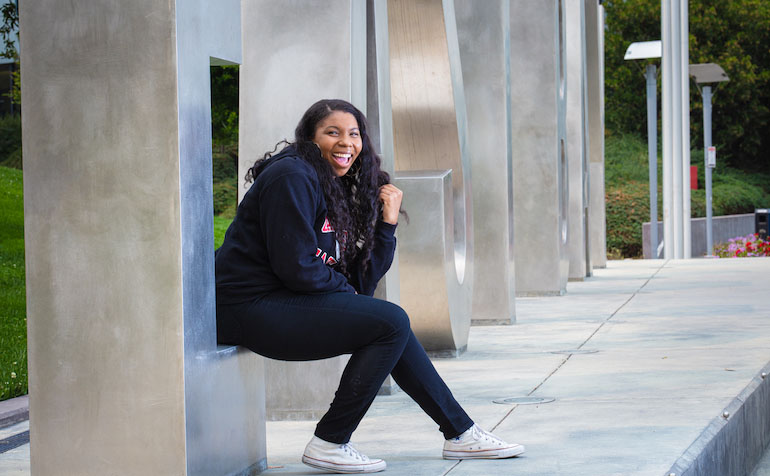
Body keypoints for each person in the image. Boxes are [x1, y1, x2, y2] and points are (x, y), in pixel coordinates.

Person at [215, 99, 524, 473]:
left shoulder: (331, 187)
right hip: (246, 308)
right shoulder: (291, 177)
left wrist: (387, 227)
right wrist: (346, 296)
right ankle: (331, 441)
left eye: (354, 134)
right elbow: (296, 266)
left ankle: (461, 432)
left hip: (279, 303)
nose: (346, 143)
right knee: (389, 321)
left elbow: (360, 283)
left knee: (390, 323)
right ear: (310, 139)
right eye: (332, 133)